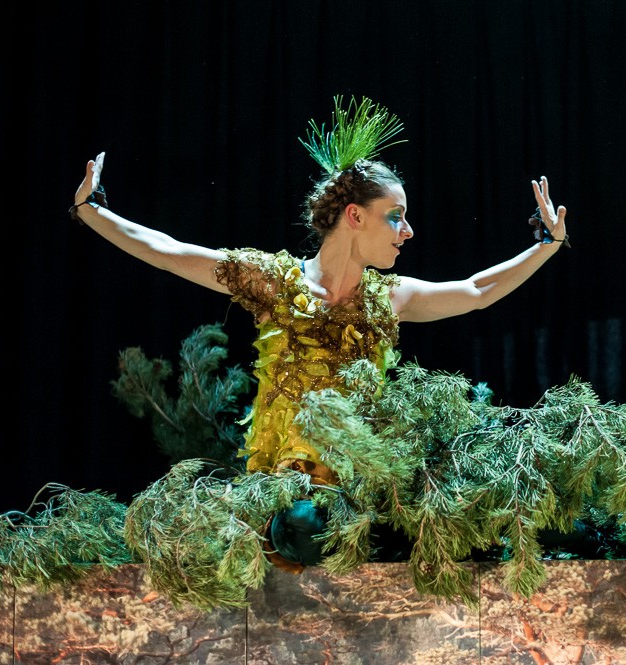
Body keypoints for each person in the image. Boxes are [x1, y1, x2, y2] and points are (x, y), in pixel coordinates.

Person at [70, 96, 570, 571]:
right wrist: (92, 211)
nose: (408, 230)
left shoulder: (388, 299)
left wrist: (546, 244)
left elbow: (477, 290)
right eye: (396, 217)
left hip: (360, 490)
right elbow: (168, 251)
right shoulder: (275, 283)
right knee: (305, 527)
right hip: (282, 494)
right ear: (355, 216)